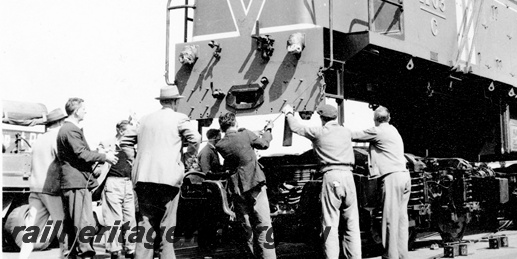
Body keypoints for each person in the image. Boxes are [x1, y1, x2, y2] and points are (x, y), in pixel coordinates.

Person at [121, 85, 200, 259]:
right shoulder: (179, 118)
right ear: (174, 102)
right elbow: (195, 138)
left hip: (144, 179)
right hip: (168, 180)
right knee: (167, 227)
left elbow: (125, 141)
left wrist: (135, 161)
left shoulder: (144, 119)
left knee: (146, 225)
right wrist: (187, 160)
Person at [282, 102, 361, 259]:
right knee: (352, 224)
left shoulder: (319, 131)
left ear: (321, 117)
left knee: (329, 225)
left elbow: (296, 128)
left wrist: (288, 113)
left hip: (331, 176)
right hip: (349, 176)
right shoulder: (345, 132)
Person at [57, 98, 118, 258]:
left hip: (73, 181)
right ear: (77, 111)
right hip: (77, 182)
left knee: (73, 221)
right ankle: (85, 253)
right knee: (83, 220)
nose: (86, 111)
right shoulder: (71, 130)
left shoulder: (67, 129)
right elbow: (81, 153)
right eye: (84, 109)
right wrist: (105, 157)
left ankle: (72, 253)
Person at [351, 106, 411, 257]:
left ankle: (390, 256)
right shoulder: (393, 130)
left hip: (392, 178)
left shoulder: (378, 130)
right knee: (401, 220)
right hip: (404, 176)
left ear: (375, 120)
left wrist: (335, 131)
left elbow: (354, 135)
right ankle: (402, 255)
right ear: (389, 118)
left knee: (390, 219)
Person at [215, 112, 276, 259]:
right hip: (255, 184)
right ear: (235, 123)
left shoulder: (220, 145)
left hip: (237, 188)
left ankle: (250, 255)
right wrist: (268, 130)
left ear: (222, 128)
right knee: (264, 223)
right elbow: (264, 144)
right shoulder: (246, 134)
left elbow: (236, 145)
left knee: (246, 225)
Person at [18, 108, 70, 259]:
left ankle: (23, 257)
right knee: (62, 226)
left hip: (35, 188)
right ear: (60, 122)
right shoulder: (57, 138)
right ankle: (65, 256)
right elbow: (63, 161)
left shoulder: (39, 139)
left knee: (31, 228)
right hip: (51, 189)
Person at [100, 120, 136, 259]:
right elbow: (97, 162)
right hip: (113, 183)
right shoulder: (107, 143)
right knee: (114, 219)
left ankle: (130, 249)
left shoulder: (132, 147)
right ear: (120, 131)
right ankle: (114, 250)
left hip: (128, 184)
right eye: (129, 132)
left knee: (130, 218)